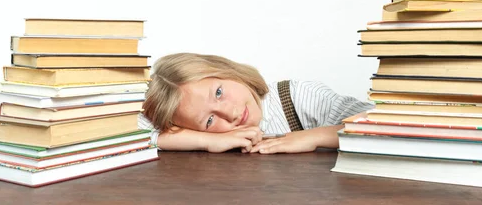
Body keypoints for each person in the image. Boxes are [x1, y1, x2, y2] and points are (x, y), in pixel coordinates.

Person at [138, 52, 374, 154]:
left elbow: (387, 124)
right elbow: (121, 133)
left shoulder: (296, 97)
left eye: (219, 92)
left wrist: (314, 137)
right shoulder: (206, 136)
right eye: (209, 120)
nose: (229, 113)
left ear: (225, 70)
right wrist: (207, 141)